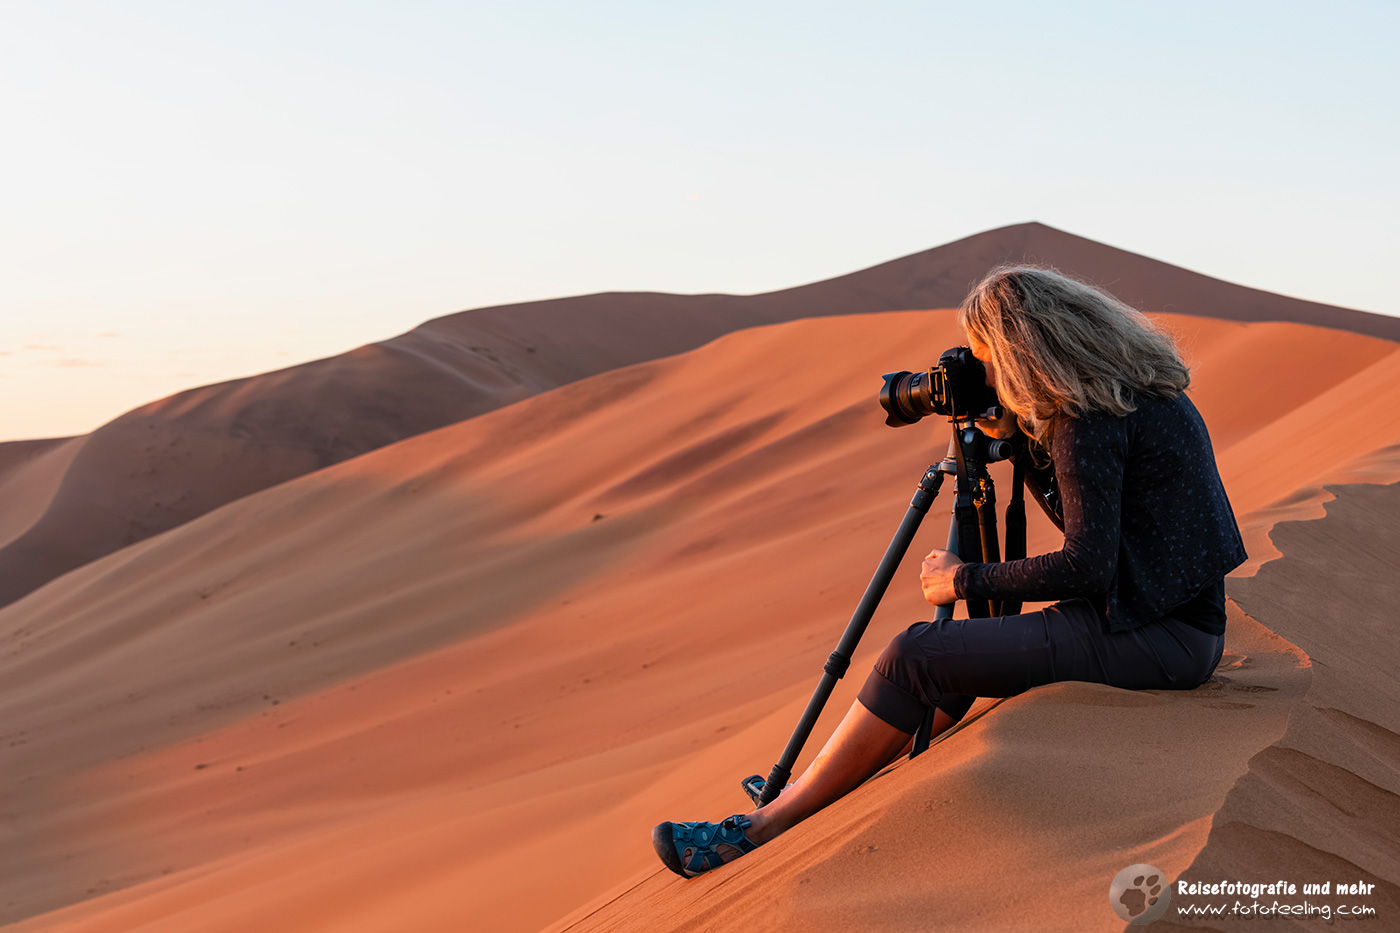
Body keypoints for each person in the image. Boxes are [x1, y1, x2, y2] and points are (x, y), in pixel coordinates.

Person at [651, 265, 1248, 879]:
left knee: (916, 651)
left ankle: (761, 825)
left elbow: (1085, 565)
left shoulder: (1085, 422)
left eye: (988, 357)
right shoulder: (1134, 395)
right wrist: (1017, 438)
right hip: (1172, 623)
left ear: (1021, 352)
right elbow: (1108, 536)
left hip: (1158, 640)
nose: (983, 372)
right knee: (956, 658)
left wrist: (961, 582)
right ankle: (819, 784)